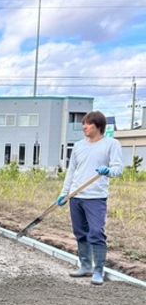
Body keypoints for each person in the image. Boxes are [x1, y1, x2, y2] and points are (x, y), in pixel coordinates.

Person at [56, 110, 123, 285]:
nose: (84, 127)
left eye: (88, 124)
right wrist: (64, 193)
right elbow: (71, 171)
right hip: (76, 195)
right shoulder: (78, 146)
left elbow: (118, 168)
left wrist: (108, 171)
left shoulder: (111, 144)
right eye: (83, 124)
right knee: (80, 233)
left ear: (98, 126)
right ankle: (85, 266)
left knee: (96, 232)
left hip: (96, 197)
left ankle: (98, 270)